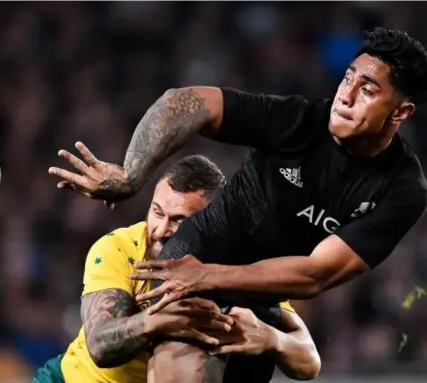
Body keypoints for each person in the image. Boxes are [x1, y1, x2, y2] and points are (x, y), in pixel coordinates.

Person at [49, 27, 427, 381]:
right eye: (348, 77)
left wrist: (219, 282)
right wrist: (133, 174)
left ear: (401, 112)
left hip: (256, 295)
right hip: (194, 259)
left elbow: (317, 275)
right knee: (186, 368)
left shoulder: (402, 189)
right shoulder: (298, 121)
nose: (345, 95)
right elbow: (186, 101)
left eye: (368, 90)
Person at [36, 155, 320, 383]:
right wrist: (158, 320)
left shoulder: (235, 267)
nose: (160, 230)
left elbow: (309, 361)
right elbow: (100, 345)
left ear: (213, 224)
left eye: (179, 221)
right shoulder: (120, 248)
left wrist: (271, 339)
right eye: (157, 212)